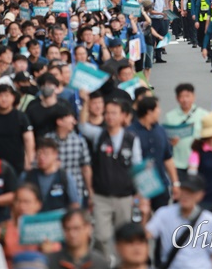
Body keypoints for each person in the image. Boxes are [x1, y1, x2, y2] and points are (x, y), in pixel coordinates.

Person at [78, 98, 143, 259]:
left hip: (125, 197)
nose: (109, 116)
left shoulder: (132, 139)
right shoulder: (99, 135)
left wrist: (140, 196)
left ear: (123, 116)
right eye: (107, 113)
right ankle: (106, 264)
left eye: (114, 113)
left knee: (124, 237)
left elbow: (138, 168)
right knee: (100, 236)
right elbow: (82, 126)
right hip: (101, 197)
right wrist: (86, 102)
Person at [144, 174, 212, 269]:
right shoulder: (163, 214)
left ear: (200, 195)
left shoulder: (210, 220)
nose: (186, 195)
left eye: (191, 192)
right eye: (184, 190)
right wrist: (144, 214)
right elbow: (144, 236)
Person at [130, 96, 180, 210]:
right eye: (157, 109)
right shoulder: (130, 133)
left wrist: (175, 183)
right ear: (149, 112)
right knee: (140, 222)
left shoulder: (161, 131)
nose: (160, 111)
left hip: (160, 187)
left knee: (161, 220)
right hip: (138, 189)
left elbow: (168, 158)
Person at [0, 84, 35, 176]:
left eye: (7, 96)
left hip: (17, 163)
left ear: (13, 98)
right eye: (0, 95)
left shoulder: (21, 117)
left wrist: (29, 161)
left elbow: (29, 140)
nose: (4, 99)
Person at [45, 106, 93, 204]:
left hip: (76, 190)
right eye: (71, 118)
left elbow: (86, 168)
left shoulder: (79, 141)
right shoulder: (47, 140)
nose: (74, 122)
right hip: (52, 191)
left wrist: (90, 191)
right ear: (59, 121)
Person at [21, 138, 80, 212]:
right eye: (39, 153)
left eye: (46, 153)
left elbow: (75, 203)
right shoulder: (27, 176)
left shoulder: (64, 177)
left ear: (55, 154)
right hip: (34, 221)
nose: (42, 157)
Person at [164, 83, 208, 181]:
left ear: (194, 97)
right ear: (177, 98)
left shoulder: (204, 115)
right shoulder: (169, 117)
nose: (185, 100)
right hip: (178, 164)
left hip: (199, 162)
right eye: (182, 97)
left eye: (188, 96)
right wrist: (171, 143)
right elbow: (165, 142)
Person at [25, 73, 70, 139]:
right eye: (43, 85)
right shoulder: (32, 105)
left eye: (49, 84)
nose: (46, 87)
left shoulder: (64, 105)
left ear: (57, 88)